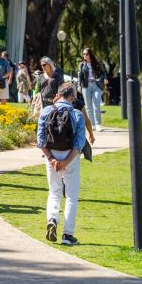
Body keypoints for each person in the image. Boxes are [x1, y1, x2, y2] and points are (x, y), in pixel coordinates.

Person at [37, 82, 85, 246]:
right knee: (71, 196)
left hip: (51, 156)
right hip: (70, 156)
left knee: (54, 192)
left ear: (58, 94)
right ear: (72, 96)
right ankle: (68, 235)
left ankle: (52, 219)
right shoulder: (77, 114)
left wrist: (51, 159)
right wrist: (65, 161)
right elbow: (79, 144)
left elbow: (40, 140)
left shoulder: (46, 111)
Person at [78, 48, 106, 131]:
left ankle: (98, 124)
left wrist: (104, 79)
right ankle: (92, 124)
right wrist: (79, 85)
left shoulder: (97, 63)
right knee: (88, 106)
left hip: (96, 85)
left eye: (86, 54)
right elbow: (80, 75)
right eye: (83, 54)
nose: (84, 56)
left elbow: (103, 72)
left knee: (96, 104)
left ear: (90, 54)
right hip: (86, 86)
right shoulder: (82, 65)